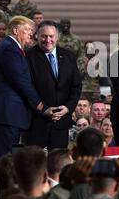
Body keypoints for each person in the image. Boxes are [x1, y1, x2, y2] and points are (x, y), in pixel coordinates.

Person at [0, 16, 46, 165]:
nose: (31, 34)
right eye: (28, 30)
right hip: (5, 113)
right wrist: (38, 103)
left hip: (8, 114)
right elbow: (20, 80)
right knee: (4, 160)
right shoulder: (9, 49)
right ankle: (3, 188)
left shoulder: (12, 48)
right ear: (15, 30)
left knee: (7, 160)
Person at [24, 20, 82, 151]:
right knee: (33, 166)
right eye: (44, 36)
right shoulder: (28, 57)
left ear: (57, 37)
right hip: (36, 123)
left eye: (51, 36)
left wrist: (67, 108)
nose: (48, 40)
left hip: (61, 123)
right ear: (37, 36)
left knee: (59, 165)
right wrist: (44, 109)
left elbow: (76, 86)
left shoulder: (69, 56)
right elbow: (27, 89)